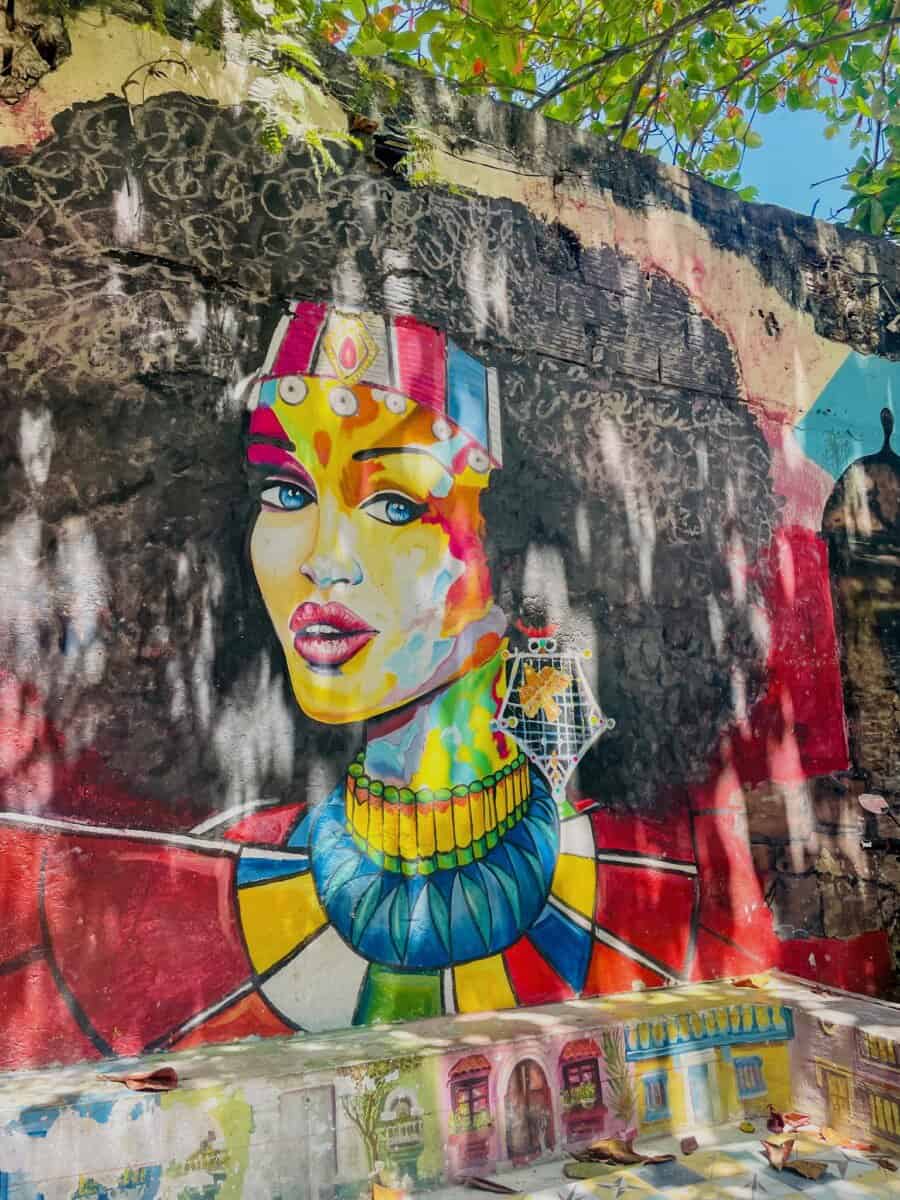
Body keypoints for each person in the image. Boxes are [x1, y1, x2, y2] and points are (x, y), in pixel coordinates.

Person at [0, 303, 780, 1071]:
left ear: (504, 552)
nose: (324, 559)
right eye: (286, 492)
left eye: (395, 503)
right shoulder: (200, 881)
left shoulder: (661, 889)